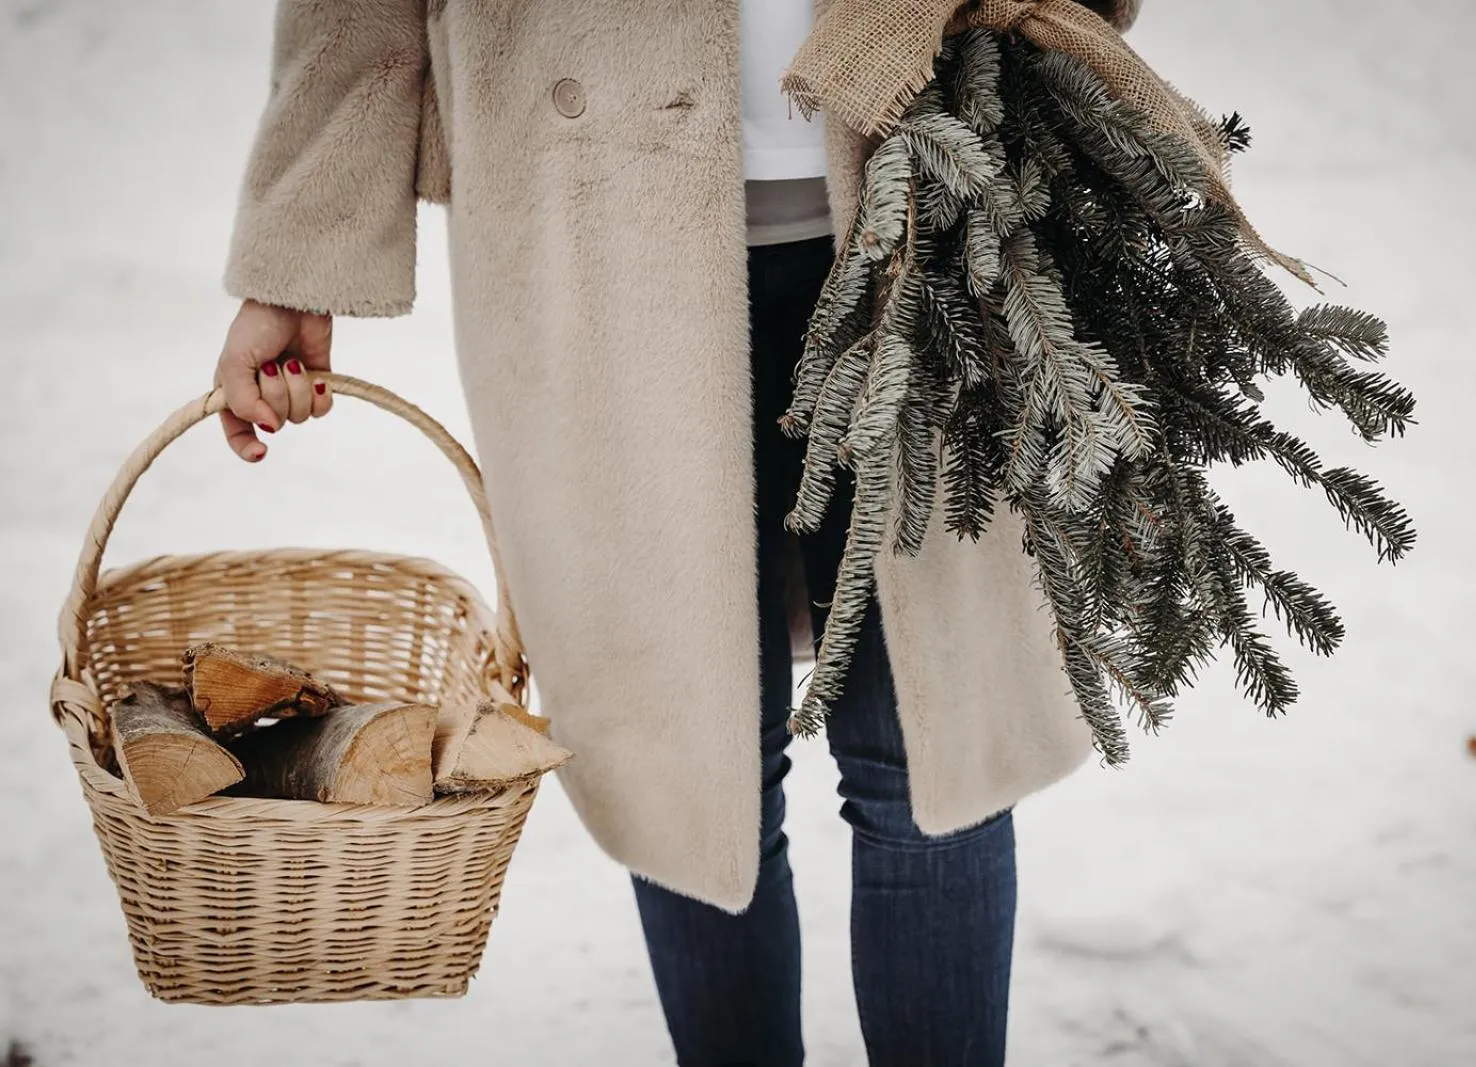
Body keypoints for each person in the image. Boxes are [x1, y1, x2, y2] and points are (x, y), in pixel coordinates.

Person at [212, 1, 1142, 1062]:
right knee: (689, 764)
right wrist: (295, 256)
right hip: (587, 241)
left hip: (930, 200)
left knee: (940, 749)